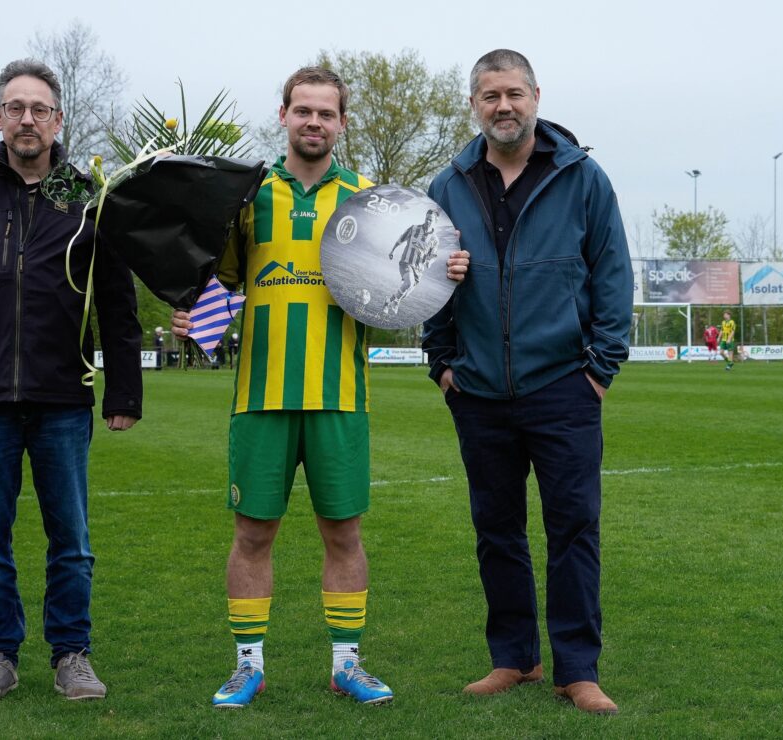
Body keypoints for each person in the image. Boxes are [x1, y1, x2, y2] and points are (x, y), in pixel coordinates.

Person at [173, 67, 469, 709]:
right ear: (283, 115)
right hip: (260, 396)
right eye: (302, 110)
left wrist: (446, 267)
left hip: (341, 397)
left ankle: (347, 665)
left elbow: (412, 275)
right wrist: (186, 305)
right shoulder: (247, 196)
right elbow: (214, 281)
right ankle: (247, 665)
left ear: (341, 123)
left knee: (344, 534)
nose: (313, 122)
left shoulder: (372, 200)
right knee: (252, 535)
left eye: (326, 113)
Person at [0, 59, 143, 703]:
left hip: (63, 398)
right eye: (15, 108)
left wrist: (124, 390)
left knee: (71, 540)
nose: (27, 119)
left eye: (39, 108)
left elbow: (116, 302)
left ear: (58, 119)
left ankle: (72, 654)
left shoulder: (90, 198)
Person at [423, 49, 632, 715]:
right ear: (474, 104)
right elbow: (425, 284)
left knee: (574, 528)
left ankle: (579, 668)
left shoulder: (583, 178)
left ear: (536, 95)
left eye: (513, 93)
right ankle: (514, 658)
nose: (503, 105)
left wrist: (598, 371)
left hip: (564, 388)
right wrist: (443, 364)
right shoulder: (447, 186)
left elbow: (613, 278)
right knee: (497, 529)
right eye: (490, 95)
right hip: (479, 392)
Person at [382, 209, 440, 315]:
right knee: (409, 283)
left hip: (419, 269)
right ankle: (395, 302)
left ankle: (389, 302)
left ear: (435, 221)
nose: (427, 221)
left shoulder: (434, 239)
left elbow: (433, 256)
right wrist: (392, 250)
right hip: (406, 262)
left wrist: (429, 262)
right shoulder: (414, 228)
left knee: (407, 292)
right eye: (427, 218)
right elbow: (401, 238)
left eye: (430, 220)